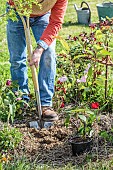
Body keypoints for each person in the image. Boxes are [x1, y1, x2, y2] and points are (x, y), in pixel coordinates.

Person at [7, 0, 68, 121]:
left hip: (42, 15)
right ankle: (21, 101)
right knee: (17, 59)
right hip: (17, 12)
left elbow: (56, 22)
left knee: (48, 53)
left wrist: (39, 49)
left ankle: (45, 104)